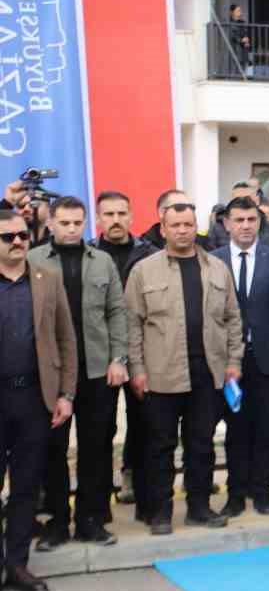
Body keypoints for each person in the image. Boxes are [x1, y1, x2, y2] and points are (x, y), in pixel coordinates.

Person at [125, 201, 243, 536]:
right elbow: (132, 324)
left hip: (208, 373)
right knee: (160, 447)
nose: (182, 230)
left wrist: (233, 361)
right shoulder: (143, 271)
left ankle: (199, 508)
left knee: (201, 445)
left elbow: (233, 318)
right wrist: (137, 369)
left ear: (196, 228)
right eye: (174, 225)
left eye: (188, 224)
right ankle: (160, 513)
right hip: (160, 374)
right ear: (163, 229)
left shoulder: (217, 269)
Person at [28, 197, 125, 551]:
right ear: (50, 223)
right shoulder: (33, 260)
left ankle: (90, 520)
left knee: (96, 448)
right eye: (65, 222)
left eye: (77, 223)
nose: (71, 229)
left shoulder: (102, 261)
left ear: (86, 223)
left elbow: (117, 312)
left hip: (97, 371)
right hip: (51, 374)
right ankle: (57, 523)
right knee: (52, 450)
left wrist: (118, 358)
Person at [0, 210, 75, 591]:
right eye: (7, 237)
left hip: (34, 398)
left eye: (23, 235)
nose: (17, 241)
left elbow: (66, 339)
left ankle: (17, 565)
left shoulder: (48, 279)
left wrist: (66, 394)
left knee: (27, 486)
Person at [212, 195, 269, 518]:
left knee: (267, 428)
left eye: (252, 220)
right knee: (235, 429)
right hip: (229, 361)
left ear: (259, 222)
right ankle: (236, 494)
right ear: (227, 224)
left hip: (268, 359)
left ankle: (262, 491)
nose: (246, 226)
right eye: (239, 220)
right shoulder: (214, 260)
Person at [93, 191, 158, 513]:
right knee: (100, 430)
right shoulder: (88, 255)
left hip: (141, 353)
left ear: (131, 217)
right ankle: (99, 503)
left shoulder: (150, 255)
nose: (116, 220)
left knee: (144, 425)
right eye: (109, 214)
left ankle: (141, 494)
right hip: (98, 355)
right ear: (99, 219)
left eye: (121, 214)